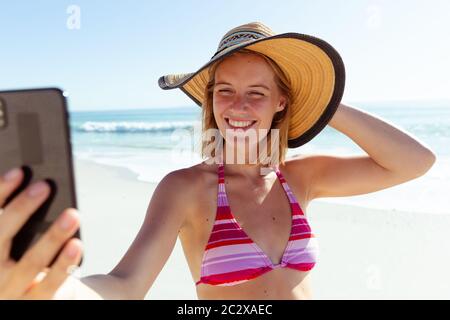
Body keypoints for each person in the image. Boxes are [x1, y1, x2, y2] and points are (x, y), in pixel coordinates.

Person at [0, 22, 436, 300]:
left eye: (257, 93)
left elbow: (414, 162)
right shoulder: (185, 188)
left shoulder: (301, 177)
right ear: (210, 99)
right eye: (224, 89)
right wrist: (56, 290)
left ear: (282, 102)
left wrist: (322, 104)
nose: (238, 106)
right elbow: (125, 286)